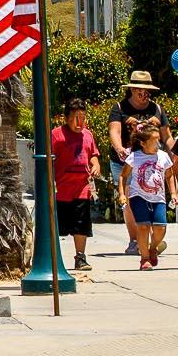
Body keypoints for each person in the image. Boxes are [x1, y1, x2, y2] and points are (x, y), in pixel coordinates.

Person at [111, 70, 174, 255]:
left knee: (153, 197)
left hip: (153, 161)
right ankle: (135, 241)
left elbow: (166, 136)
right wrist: (119, 148)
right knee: (131, 201)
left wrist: (175, 155)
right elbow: (114, 131)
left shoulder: (157, 109)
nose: (144, 94)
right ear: (132, 89)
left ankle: (151, 242)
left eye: (147, 91)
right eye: (140, 90)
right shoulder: (120, 108)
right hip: (127, 161)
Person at [51, 100, 101, 271]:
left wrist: (96, 165)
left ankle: (80, 257)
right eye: (75, 118)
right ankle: (52, 259)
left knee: (82, 224)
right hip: (60, 190)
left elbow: (93, 154)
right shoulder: (56, 135)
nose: (80, 122)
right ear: (66, 118)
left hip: (81, 188)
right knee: (57, 226)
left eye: (83, 117)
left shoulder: (88, 135)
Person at [126, 122, 172, 269]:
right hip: (138, 196)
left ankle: (153, 249)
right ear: (143, 143)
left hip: (158, 197)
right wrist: (122, 193)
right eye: (154, 140)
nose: (158, 143)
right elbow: (123, 176)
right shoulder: (134, 156)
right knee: (143, 226)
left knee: (160, 228)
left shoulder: (163, 156)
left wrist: (174, 193)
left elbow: (169, 175)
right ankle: (144, 258)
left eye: (159, 139)